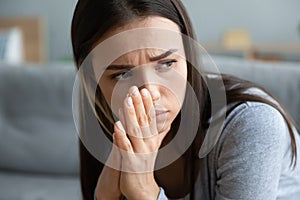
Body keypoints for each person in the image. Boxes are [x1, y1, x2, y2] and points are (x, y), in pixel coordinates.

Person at [71, 0, 300, 199]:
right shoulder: (110, 123)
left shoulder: (251, 123)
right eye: (122, 74)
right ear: (92, 81)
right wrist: (105, 196)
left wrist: (144, 193)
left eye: (166, 63)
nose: (150, 92)